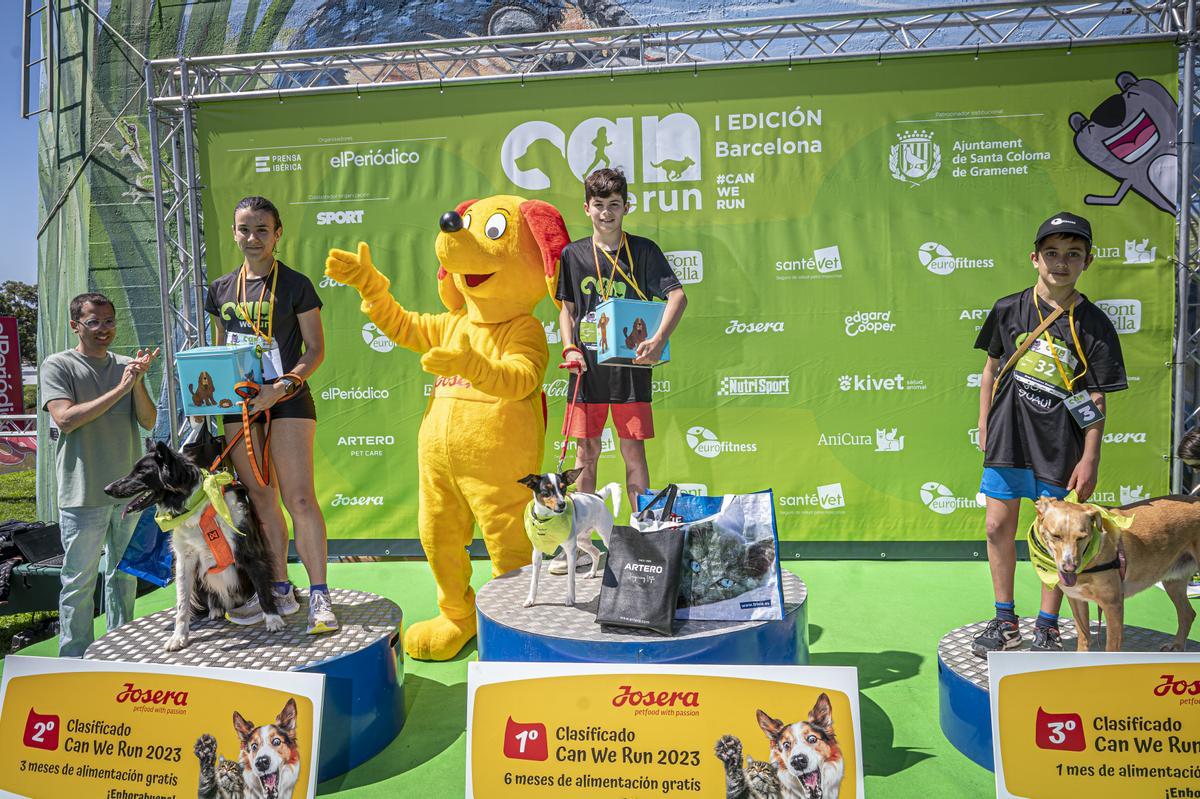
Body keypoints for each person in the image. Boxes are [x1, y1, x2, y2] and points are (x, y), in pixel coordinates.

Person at [972, 212, 1127, 656]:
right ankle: (1005, 620)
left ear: (1088, 262)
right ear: (1034, 258)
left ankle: (1047, 626)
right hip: (1008, 437)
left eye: (1073, 255)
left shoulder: (1094, 323)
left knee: (1056, 532)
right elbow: (991, 369)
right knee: (997, 525)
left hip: (1061, 445)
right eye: (1053, 253)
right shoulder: (1008, 308)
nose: (1062, 263)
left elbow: (1096, 397)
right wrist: (985, 421)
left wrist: (1090, 456)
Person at [204, 195, 338, 634]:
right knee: (261, 501)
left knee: (298, 498)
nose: (252, 237)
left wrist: (281, 387)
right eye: (245, 229)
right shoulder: (222, 290)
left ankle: (319, 595)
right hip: (240, 407)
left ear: (278, 234)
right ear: (234, 233)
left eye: (262, 229)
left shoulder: (296, 285)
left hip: (286, 400)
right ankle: (280, 588)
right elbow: (219, 353)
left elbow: (315, 350)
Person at [555, 168, 687, 571]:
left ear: (626, 206)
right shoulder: (573, 255)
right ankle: (579, 547)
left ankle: (643, 540)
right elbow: (567, 309)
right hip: (587, 373)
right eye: (599, 206)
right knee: (585, 456)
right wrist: (570, 347)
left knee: (634, 455)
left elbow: (677, 297)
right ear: (587, 208)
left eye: (615, 205)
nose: (607, 214)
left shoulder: (644, 250)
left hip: (631, 370)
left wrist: (659, 339)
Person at [42, 293, 159, 656]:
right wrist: (121, 387)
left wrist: (136, 382)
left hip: (128, 495)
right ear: (76, 325)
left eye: (109, 321)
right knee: (78, 582)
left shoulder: (127, 366)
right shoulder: (57, 365)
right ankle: (73, 658)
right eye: (94, 322)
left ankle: (117, 651)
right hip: (82, 494)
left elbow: (149, 420)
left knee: (124, 578)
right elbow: (66, 419)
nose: (104, 329)